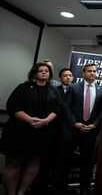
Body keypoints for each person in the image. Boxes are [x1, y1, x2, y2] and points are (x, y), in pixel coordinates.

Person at [0, 62, 61, 195]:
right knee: (13, 164)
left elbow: (57, 108)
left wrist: (46, 121)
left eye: (47, 71)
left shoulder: (53, 90)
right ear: (34, 73)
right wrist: (29, 120)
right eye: (41, 70)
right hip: (19, 132)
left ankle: (22, 192)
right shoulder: (23, 87)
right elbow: (13, 106)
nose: (44, 72)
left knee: (34, 163)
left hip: (42, 133)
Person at [69, 64, 102, 195]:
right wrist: (75, 123)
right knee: (66, 158)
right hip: (74, 129)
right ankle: (61, 186)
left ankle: (85, 187)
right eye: (89, 71)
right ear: (83, 73)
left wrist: (95, 124)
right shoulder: (73, 87)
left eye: (94, 71)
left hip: (91, 131)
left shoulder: (101, 90)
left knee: (88, 161)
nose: (92, 73)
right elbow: (67, 108)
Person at [52, 68, 75, 194]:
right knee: (53, 158)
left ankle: (63, 184)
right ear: (60, 78)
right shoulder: (54, 90)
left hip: (69, 130)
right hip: (54, 128)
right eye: (65, 75)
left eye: (70, 75)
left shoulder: (76, 90)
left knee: (66, 159)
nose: (67, 77)